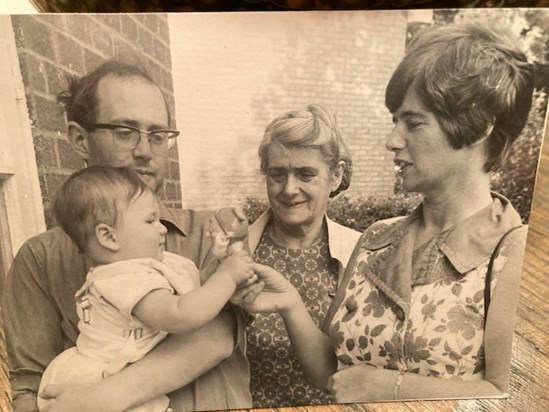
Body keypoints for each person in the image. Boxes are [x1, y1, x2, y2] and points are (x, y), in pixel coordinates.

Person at [235, 24, 533, 402]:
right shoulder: (377, 238)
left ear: (477, 128)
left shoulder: (515, 256)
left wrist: (390, 388)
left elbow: (521, 397)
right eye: (395, 121)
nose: (392, 140)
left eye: (413, 123)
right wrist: (290, 303)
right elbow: (334, 372)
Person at [1, 60, 252, 412]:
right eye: (125, 131)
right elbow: (29, 383)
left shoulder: (208, 232)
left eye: (158, 135)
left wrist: (104, 396)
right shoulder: (40, 258)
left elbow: (216, 336)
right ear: (79, 139)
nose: (145, 151)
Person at [37, 166, 255, 412]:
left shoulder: (146, 265)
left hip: (124, 371)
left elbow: (192, 292)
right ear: (109, 237)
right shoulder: (123, 278)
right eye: (150, 220)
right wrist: (227, 277)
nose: (162, 227)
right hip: (104, 378)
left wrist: (218, 263)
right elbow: (181, 315)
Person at [245, 104, 360, 407]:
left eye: (306, 174)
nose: (289, 189)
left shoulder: (362, 255)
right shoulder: (239, 252)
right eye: (277, 174)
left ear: (335, 176)